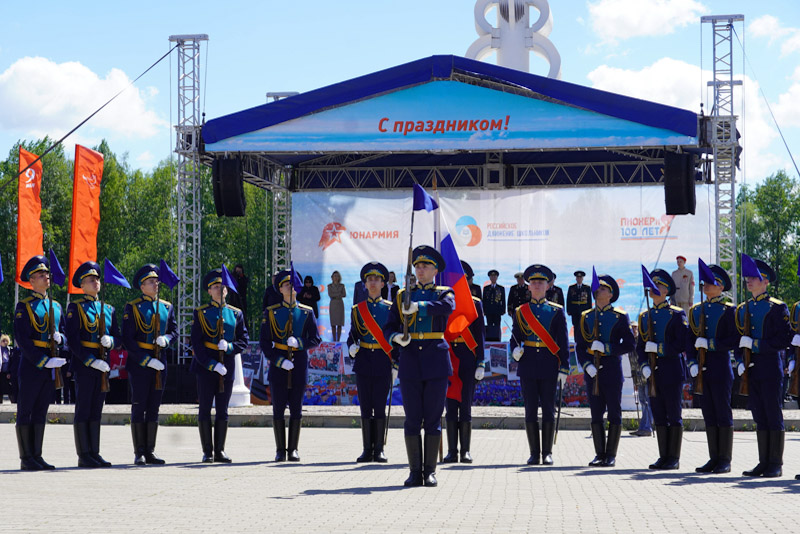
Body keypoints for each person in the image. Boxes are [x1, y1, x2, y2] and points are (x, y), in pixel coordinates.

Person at [384, 245, 454, 487]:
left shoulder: (444, 293)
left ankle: (430, 471)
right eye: (417, 266)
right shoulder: (402, 295)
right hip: (411, 359)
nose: (420, 270)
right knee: (412, 419)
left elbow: (448, 307)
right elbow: (389, 326)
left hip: (435, 360)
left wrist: (419, 307)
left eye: (425, 266)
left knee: (433, 418)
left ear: (435, 270)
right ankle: (415, 472)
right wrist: (396, 337)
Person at [735, 257, 791, 477]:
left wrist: (756, 345)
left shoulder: (777, 308)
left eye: (754, 278)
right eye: (748, 277)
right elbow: (739, 341)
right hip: (752, 369)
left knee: (772, 413)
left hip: (769, 368)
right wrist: (740, 360)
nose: (749, 281)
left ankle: (775, 463)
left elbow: (783, 339)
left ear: (765, 281)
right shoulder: (743, 309)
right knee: (759, 414)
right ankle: (763, 462)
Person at [510, 264, 569, 466]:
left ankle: (547, 452)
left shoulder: (556, 311)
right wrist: (514, 350)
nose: (536, 285)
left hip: (548, 363)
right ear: (528, 286)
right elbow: (515, 337)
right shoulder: (520, 311)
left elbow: (563, 342)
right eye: (533, 282)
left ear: (548, 286)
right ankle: (534, 453)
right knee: (530, 410)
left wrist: (564, 367)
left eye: (541, 282)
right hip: (528, 364)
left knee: (549, 409)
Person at [13, 255, 68, 470]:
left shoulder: (56, 306)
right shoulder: (24, 306)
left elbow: (64, 334)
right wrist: (43, 360)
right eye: (41, 275)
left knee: (40, 411)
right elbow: (22, 339)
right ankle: (26, 458)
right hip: (32, 365)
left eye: (47, 274)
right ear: (31, 280)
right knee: (26, 411)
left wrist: (61, 339)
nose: (46, 277)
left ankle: (37, 455)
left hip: (50, 365)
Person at [260, 270, 321, 462]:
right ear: (280, 289)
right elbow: (264, 343)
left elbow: (315, 339)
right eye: (286, 284)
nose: (290, 287)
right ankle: (280, 450)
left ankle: (293, 449)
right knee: (278, 408)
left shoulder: (306, 311)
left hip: (299, 363)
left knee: (296, 408)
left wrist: (300, 343)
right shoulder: (271, 312)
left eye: (293, 284)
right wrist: (279, 361)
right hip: (279, 363)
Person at [190, 269, 250, 463]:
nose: (220, 289)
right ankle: (207, 451)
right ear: (209, 291)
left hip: (227, 365)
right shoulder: (201, 313)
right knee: (205, 408)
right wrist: (211, 364)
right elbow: (196, 343)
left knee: (223, 409)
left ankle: (220, 450)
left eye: (222, 287)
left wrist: (230, 347)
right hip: (205, 366)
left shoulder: (236, 313)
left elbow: (243, 340)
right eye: (215, 287)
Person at [576, 274, 635, 467]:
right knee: (596, 413)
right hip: (593, 372)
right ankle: (599, 454)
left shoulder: (619, 316)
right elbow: (580, 346)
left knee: (614, 413)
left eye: (602, 288)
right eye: (597, 288)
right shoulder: (586, 316)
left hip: (611, 370)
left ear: (610, 294)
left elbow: (629, 344)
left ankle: (611, 455)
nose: (598, 291)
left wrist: (607, 349)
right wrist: (587, 365)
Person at [65, 261, 120, 468]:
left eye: (97, 279)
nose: (96, 282)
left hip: (103, 365)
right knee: (84, 408)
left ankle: (94, 452)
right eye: (91, 280)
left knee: (97, 409)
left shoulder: (109, 309)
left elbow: (118, 337)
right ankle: (83, 454)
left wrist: (111, 341)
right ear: (82, 285)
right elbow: (73, 340)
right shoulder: (76, 308)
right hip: (85, 365)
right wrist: (90, 361)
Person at [123, 263, 177, 465]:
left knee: (154, 407)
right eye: (151, 282)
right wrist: (146, 360)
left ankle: (150, 451)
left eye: (156, 281)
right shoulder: (133, 307)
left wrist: (167, 340)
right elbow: (128, 339)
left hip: (160, 361)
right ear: (142, 286)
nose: (156, 285)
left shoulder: (166, 307)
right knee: (139, 406)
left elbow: (174, 331)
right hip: (140, 363)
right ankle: (139, 452)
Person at [687, 263, 737, 474]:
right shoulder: (696, 310)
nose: (706, 285)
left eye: (711, 282)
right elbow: (689, 341)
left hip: (720, 367)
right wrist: (692, 362)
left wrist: (712, 344)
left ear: (721, 286)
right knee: (708, 412)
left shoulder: (729, 310)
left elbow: (734, 339)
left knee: (722, 411)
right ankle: (713, 457)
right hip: (702, 369)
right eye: (705, 281)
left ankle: (724, 459)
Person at [637, 268, 689, 470]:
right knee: (658, 413)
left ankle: (673, 458)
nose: (653, 288)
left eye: (658, 285)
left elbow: (682, 343)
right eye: (652, 285)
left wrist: (659, 348)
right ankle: (663, 456)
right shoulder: (645, 316)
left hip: (671, 370)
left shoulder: (676, 314)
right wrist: (644, 365)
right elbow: (640, 346)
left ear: (666, 291)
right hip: (653, 371)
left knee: (673, 414)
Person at [346, 262, 395, 463]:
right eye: (369, 280)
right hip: (364, 360)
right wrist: (351, 347)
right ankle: (367, 449)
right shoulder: (357, 309)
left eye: (377, 279)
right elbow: (353, 334)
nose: (373, 283)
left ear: (383, 284)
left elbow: (394, 337)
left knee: (380, 406)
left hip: (383, 360)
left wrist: (396, 364)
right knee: (366, 406)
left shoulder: (391, 309)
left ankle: (379, 449)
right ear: (364, 284)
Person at [443, 261, 486, 464]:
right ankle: (452, 451)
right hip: (448, 356)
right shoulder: (443, 302)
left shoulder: (475, 304)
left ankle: (465, 451)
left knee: (466, 405)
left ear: (468, 281)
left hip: (468, 358)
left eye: (462, 280)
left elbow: (480, 336)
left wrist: (481, 362)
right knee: (450, 406)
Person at [628, 321, 653, 436]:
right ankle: (643, 426)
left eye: (635, 328)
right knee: (643, 402)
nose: (634, 330)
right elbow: (632, 364)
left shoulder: (641, 341)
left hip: (646, 375)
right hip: (638, 377)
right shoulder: (630, 343)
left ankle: (647, 427)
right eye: (632, 328)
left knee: (647, 402)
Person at [482, 269, 505, 341]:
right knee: (489, 326)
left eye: (494, 276)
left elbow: (503, 300)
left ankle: (498, 340)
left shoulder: (501, 288)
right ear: (489, 278)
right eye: (492, 276)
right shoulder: (486, 288)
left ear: (497, 277)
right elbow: (484, 300)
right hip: (488, 311)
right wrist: (483, 310)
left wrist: (503, 310)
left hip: (497, 311)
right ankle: (489, 340)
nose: (493, 278)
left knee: (497, 326)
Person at [328, 271, 346, 342]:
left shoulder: (342, 286)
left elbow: (344, 294)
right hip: (333, 304)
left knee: (339, 323)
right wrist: (338, 294)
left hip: (340, 304)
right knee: (333, 323)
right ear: (332, 277)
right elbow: (330, 294)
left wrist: (336, 294)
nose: (336, 277)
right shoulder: (329, 286)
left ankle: (338, 339)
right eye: (334, 276)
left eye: (337, 276)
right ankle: (334, 339)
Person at [0, 334, 11, 403]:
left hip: (6, 371)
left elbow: (10, 361)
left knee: (8, 388)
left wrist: (9, 372)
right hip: (0, 371)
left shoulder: (9, 349)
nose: (5, 342)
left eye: (6, 341)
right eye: (3, 340)